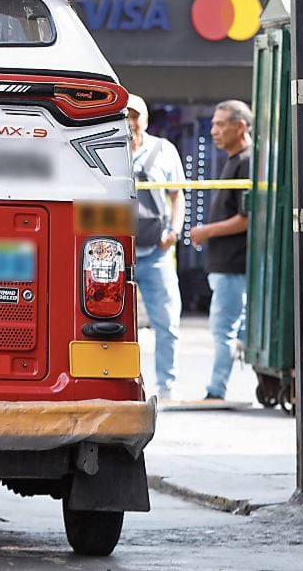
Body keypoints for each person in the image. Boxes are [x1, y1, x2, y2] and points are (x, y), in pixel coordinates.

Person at [188, 100, 252, 402]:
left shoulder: (247, 160)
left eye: (220, 124)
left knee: (225, 330)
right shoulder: (232, 159)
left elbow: (246, 218)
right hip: (223, 265)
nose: (214, 131)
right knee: (232, 330)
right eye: (213, 124)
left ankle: (217, 389)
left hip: (233, 265)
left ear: (240, 127)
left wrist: (206, 231)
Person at [127, 93, 186, 402]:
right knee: (108, 326)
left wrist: (174, 231)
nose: (130, 122)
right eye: (125, 115)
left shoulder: (163, 151)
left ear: (146, 120)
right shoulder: (106, 148)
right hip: (115, 255)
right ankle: (120, 385)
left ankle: (166, 386)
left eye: (135, 116)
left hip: (156, 252)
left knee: (167, 321)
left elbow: (177, 196)